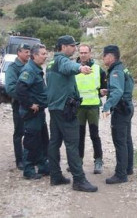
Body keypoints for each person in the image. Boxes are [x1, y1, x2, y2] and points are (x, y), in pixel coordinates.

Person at [46, 35, 98, 192]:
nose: (75, 48)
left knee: (54, 142)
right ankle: (79, 180)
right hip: (65, 110)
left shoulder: (51, 63)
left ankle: (55, 176)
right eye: (72, 46)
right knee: (72, 144)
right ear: (63, 47)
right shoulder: (62, 60)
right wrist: (80, 68)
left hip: (55, 108)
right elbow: (68, 66)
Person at [15, 44, 50, 180]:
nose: (45, 56)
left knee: (42, 140)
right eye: (43, 54)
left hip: (40, 112)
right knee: (31, 141)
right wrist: (30, 104)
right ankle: (28, 169)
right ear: (34, 56)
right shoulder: (29, 70)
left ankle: (42, 166)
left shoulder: (36, 68)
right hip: (32, 113)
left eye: (46, 53)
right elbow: (20, 89)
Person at [101, 45, 135, 184]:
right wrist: (108, 91)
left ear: (110, 56)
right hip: (127, 106)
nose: (103, 59)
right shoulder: (122, 68)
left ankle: (120, 174)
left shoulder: (116, 71)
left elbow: (118, 91)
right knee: (126, 139)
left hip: (121, 109)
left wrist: (107, 106)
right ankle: (128, 168)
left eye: (104, 56)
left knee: (120, 141)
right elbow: (124, 87)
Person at [75, 44, 106, 174]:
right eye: (81, 52)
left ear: (90, 53)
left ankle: (98, 160)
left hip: (93, 107)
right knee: (79, 136)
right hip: (78, 108)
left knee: (94, 135)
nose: (83, 55)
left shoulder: (99, 69)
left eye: (85, 52)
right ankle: (78, 161)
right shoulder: (73, 69)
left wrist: (102, 92)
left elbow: (104, 88)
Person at [4, 43, 31, 170]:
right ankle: (19, 160)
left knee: (30, 132)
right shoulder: (13, 68)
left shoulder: (30, 66)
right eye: (26, 52)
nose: (28, 54)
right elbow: (10, 88)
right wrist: (26, 99)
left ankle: (30, 157)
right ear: (19, 52)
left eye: (29, 52)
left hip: (31, 106)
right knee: (19, 132)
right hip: (19, 105)